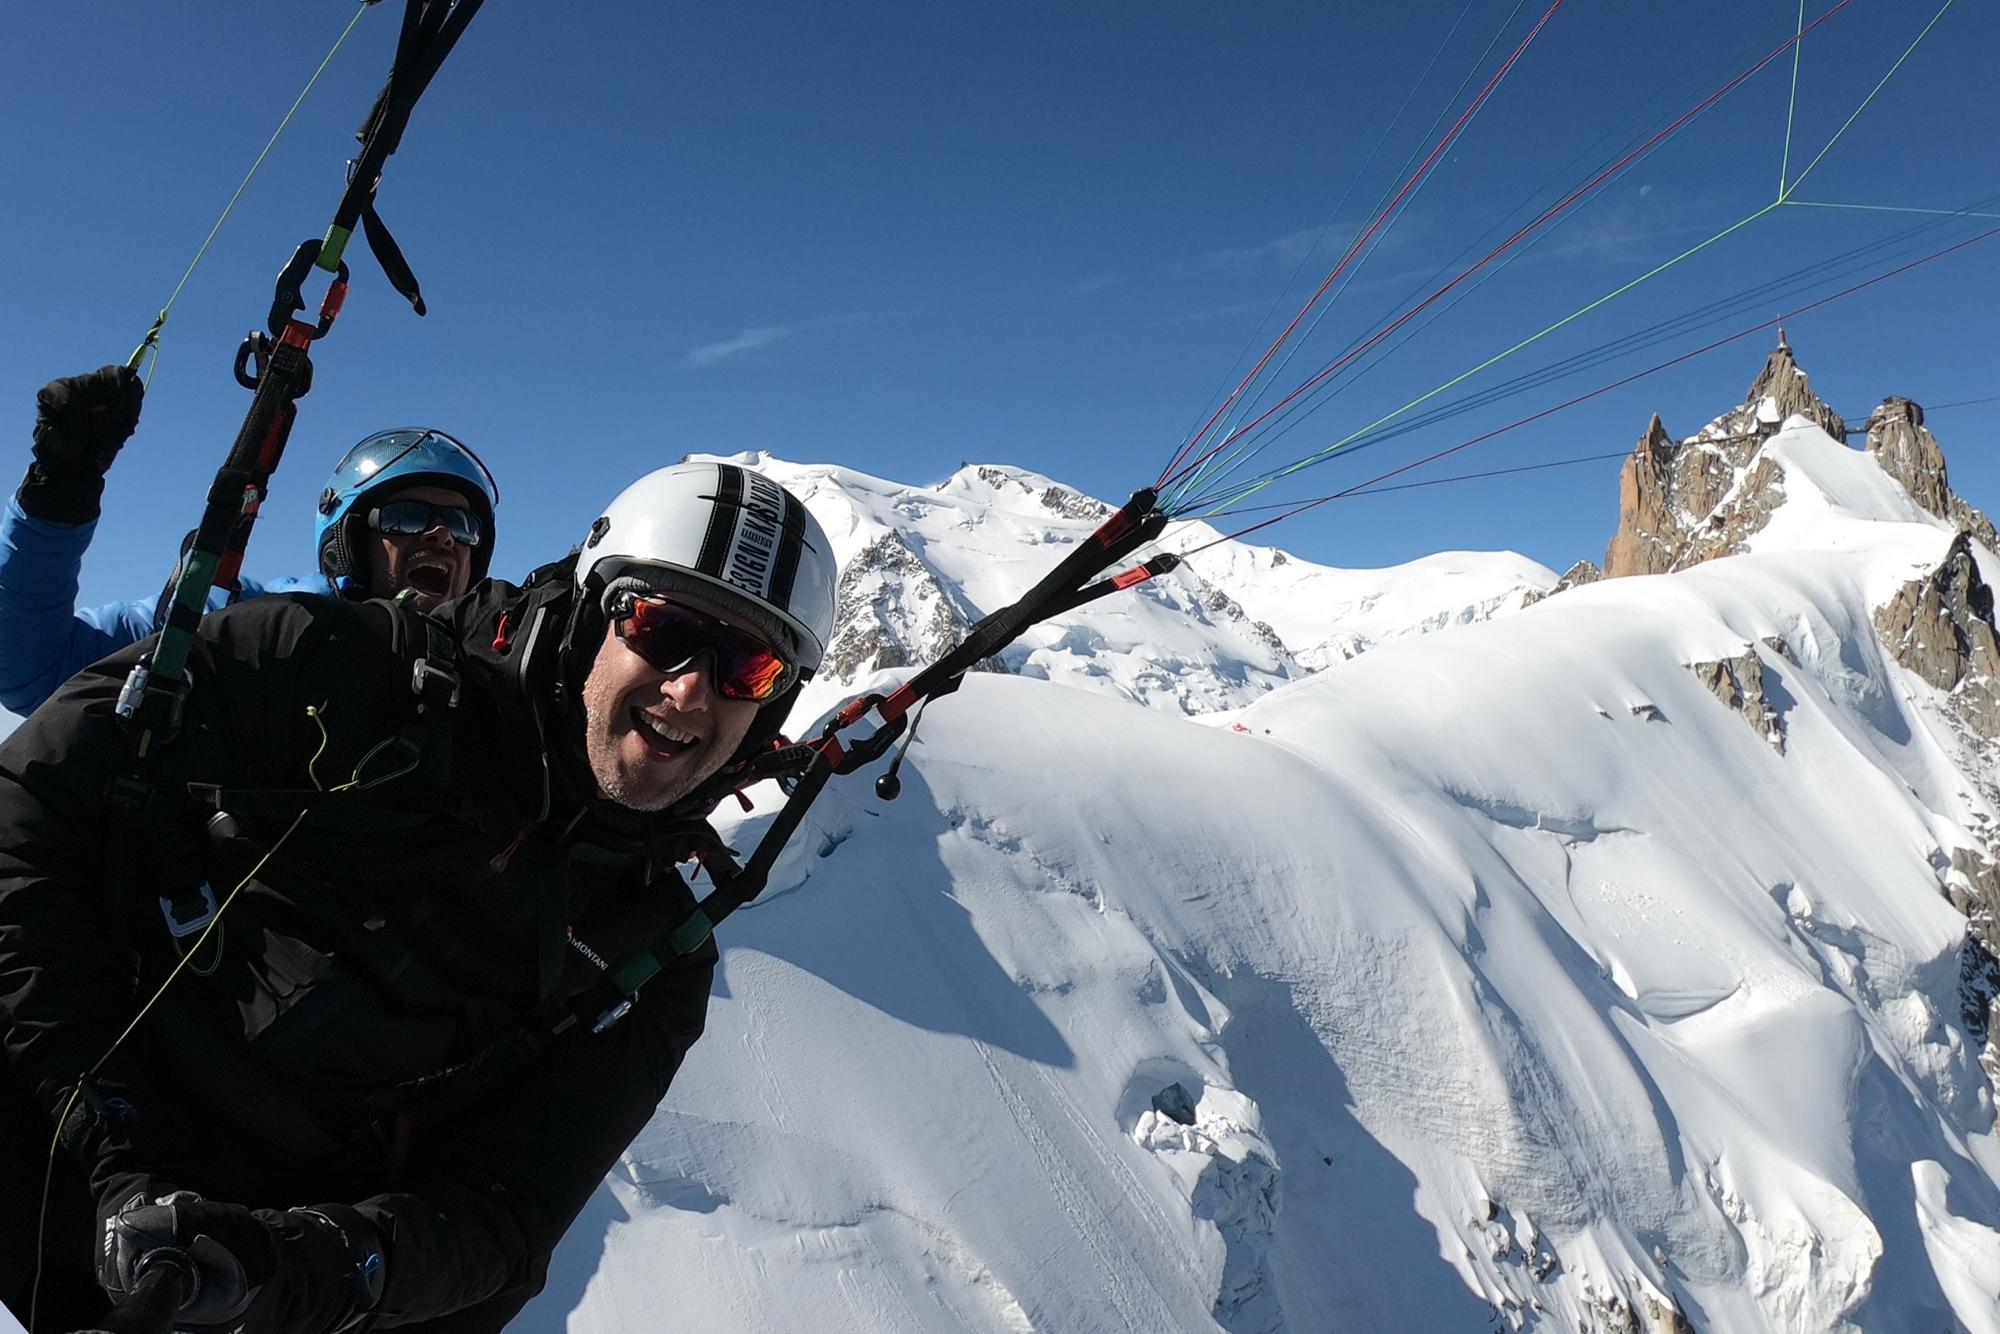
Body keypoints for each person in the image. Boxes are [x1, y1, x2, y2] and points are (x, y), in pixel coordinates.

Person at [0, 460, 840, 1333]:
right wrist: (114, 1143)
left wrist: (298, 1265)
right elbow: (29, 807)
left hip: (253, 1287)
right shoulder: (329, 669)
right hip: (46, 1110)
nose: (690, 689)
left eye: (748, 665)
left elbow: (510, 1213)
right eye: (662, 630)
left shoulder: (656, 954)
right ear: (596, 615)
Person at [0, 365, 500, 715]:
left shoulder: (495, 671)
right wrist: (58, 498)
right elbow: (33, 670)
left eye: (463, 526)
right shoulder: (232, 625)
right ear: (346, 541)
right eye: (408, 517)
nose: (442, 534)